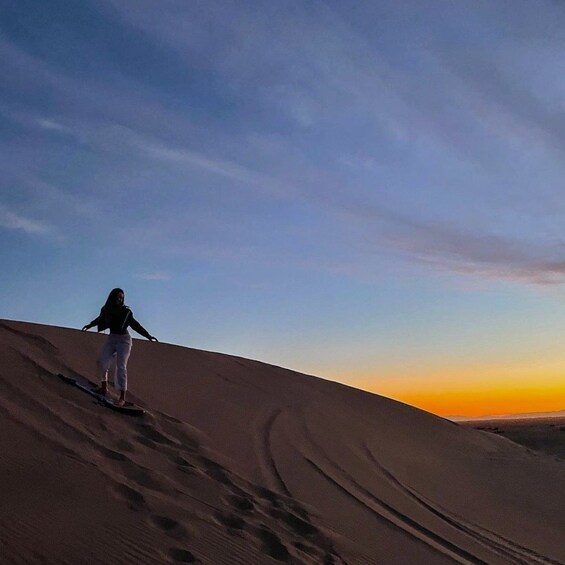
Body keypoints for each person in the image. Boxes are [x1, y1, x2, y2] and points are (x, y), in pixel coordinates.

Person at [82, 288, 157, 406]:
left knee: (121, 366)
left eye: (122, 298)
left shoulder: (126, 312)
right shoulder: (106, 309)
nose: (120, 299)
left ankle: (122, 397)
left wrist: (148, 336)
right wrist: (90, 325)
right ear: (112, 297)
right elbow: (100, 319)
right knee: (101, 362)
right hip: (112, 338)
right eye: (118, 297)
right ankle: (104, 388)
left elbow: (135, 325)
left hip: (124, 340)